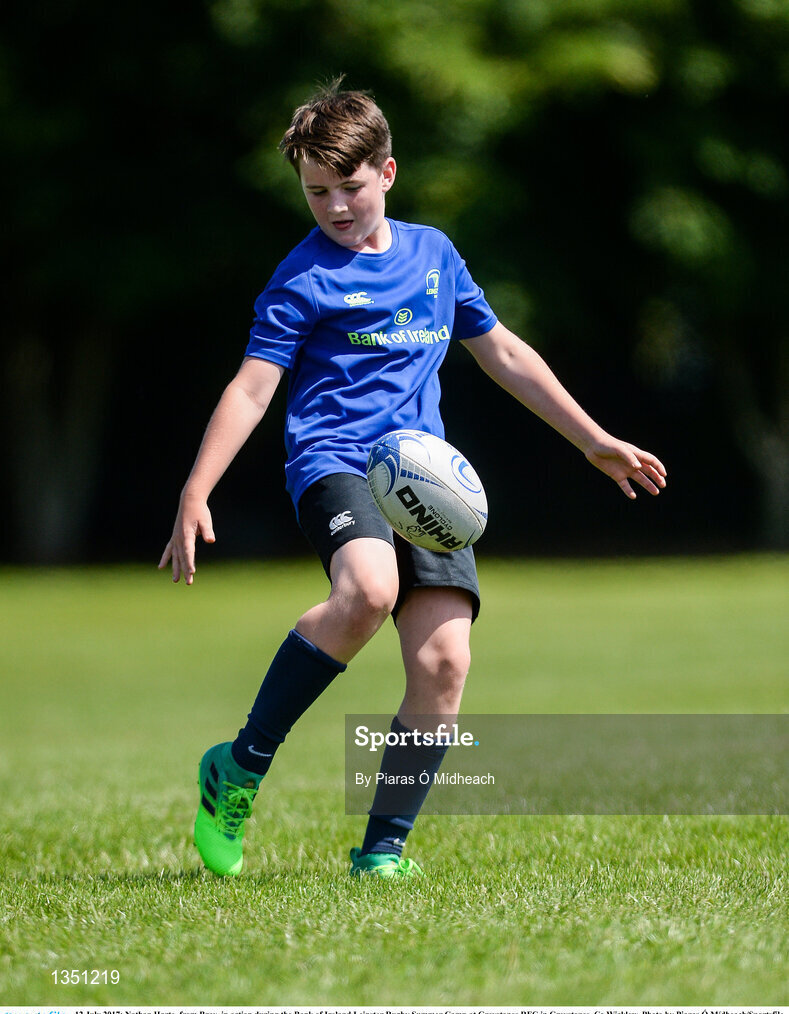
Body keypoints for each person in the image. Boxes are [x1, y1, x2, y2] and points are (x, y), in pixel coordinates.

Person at [159, 81, 667, 880]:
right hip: (336, 461)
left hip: (421, 476)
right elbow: (252, 387)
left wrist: (592, 440)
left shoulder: (435, 256)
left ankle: (382, 850)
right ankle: (241, 764)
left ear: (387, 173)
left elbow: (502, 352)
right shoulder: (301, 277)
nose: (332, 207)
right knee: (366, 589)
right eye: (315, 192)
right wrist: (197, 489)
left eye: (348, 188)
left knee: (443, 665)